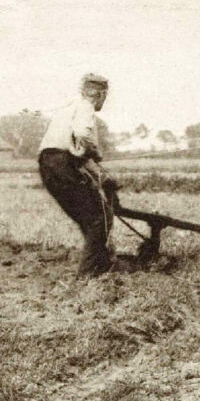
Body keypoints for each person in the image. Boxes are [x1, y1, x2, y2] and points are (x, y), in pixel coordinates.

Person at [38, 73, 120, 277]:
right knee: (97, 220)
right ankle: (87, 275)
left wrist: (101, 175)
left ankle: (102, 264)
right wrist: (95, 151)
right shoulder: (85, 107)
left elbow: (76, 152)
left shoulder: (68, 109)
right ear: (100, 94)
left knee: (90, 218)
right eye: (104, 96)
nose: (104, 101)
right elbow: (83, 135)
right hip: (63, 166)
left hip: (49, 166)